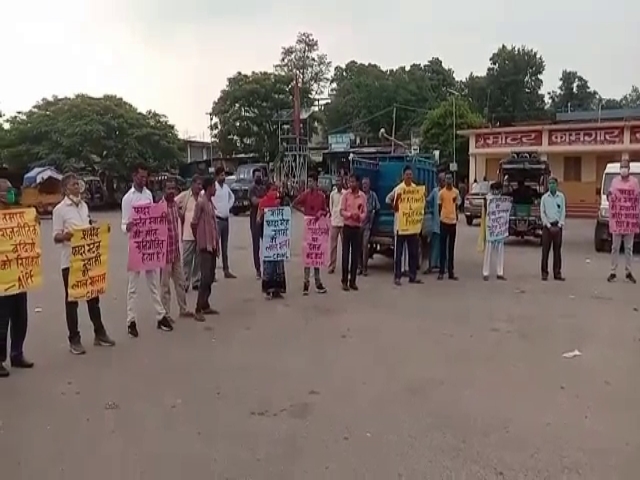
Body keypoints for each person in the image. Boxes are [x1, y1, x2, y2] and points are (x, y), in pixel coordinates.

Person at [52, 173, 116, 355]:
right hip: (70, 262)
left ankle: (99, 333)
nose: (77, 187)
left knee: (93, 297)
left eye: (78, 184)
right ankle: (74, 339)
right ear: (65, 189)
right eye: (73, 185)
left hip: (88, 260)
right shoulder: (59, 210)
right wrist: (65, 236)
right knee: (72, 301)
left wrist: (100, 230)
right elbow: (55, 236)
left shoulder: (84, 206)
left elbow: (87, 225)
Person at [121, 163, 173, 337]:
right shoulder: (128, 198)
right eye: (141, 177)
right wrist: (128, 226)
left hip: (150, 245)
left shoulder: (149, 194)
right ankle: (131, 321)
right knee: (133, 287)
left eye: (146, 177)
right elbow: (123, 224)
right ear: (134, 176)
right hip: (136, 246)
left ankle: (160, 315)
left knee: (152, 283)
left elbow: (152, 215)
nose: (144, 180)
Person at [0, 179, 34, 377]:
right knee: (2, 321)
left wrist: (32, 223)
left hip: (19, 275)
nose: (13, 195)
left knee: (21, 317)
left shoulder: (17, 214)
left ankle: (17, 353)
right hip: (3, 278)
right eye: (9, 192)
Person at [159, 177, 194, 322]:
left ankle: (183, 308)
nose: (171, 191)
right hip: (165, 253)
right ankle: (165, 314)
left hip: (175, 251)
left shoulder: (174, 205)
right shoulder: (160, 206)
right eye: (168, 188)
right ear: (163, 190)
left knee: (180, 282)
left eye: (173, 188)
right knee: (165, 286)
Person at [293, 172, 328, 295]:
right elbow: (294, 204)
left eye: (311, 181)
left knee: (316, 255)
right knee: (308, 255)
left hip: (318, 228)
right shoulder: (306, 194)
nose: (309, 184)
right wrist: (304, 213)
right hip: (309, 228)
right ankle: (306, 283)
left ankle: (318, 282)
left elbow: (326, 210)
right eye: (308, 181)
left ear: (316, 182)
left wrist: (321, 214)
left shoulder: (321, 196)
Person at [386, 166, 422, 285]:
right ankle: (397, 277)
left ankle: (413, 276)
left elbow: (419, 203)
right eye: (407, 174)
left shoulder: (415, 189)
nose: (409, 176)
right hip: (400, 227)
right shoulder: (398, 189)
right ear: (403, 176)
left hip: (411, 226)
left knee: (413, 253)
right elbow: (388, 199)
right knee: (398, 253)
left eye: (410, 175)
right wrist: (394, 205)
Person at [191, 177, 220, 321]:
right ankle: (198, 308)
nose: (215, 189)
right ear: (208, 188)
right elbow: (194, 223)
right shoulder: (201, 203)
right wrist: (199, 239)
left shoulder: (209, 202)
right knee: (205, 277)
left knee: (210, 276)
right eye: (214, 187)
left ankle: (205, 304)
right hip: (205, 245)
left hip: (212, 244)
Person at [607, 159, 639, 283]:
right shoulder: (615, 182)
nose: (623, 169)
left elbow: (637, 198)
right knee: (615, 247)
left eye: (625, 167)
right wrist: (611, 197)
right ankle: (613, 271)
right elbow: (610, 195)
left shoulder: (635, 182)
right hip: (618, 221)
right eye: (622, 167)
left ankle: (628, 271)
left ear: (629, 169)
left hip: (629, 222)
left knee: (629, 248)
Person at [258, 185, 287, 298]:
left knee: (277, 262)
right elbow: (258, 220)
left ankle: (277, 289)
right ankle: (269, 289)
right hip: (268, 238)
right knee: (270, 263)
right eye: (273, 190)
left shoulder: (279, 202)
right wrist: (263, 215)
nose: (275, 193)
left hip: (278, 238)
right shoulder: (263, 203)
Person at [340, 174, 367, 291]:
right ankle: (344, 281)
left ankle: (353, 281)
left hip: (357, 228)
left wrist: (360, 217)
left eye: (353, 182)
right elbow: (341, 211)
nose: (351, 184)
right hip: (347, 227)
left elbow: (365, 212)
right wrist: (350, 215)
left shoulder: (363, 196)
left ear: (358, 183)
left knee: (355, 256)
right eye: (349, 182)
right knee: (345, 255)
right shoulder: (345, 195)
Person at [176, 175, 203, 291]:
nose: (199, 187)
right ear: (192, 184)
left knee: (198, 260)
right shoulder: (185, 196)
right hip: (187, 234)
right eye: (197, 184)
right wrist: (179, 213)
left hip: (200, 234)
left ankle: (196, 281)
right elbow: (173, 202)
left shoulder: (202, 197)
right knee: (186, 260)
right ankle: (185, 282)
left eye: (201, 184)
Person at [211, 166, 236, 280]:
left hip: (226, 219)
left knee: (225, 247)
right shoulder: (213, 187)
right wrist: (213, 210)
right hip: (217, 219)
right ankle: (212, 273)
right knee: (215, 248)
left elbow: (232, 197)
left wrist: (228, 206)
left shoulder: (226, 187)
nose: (223, 177)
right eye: (221, 175)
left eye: (224, 175)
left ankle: (226, 270)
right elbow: (205, 197)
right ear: (216, 176)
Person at [540, 177, 566, 281]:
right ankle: (544, 273)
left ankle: (557, 273)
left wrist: (560, 225)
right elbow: (542, 213)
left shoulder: (561, 197)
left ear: (557, 184)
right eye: (550, 183)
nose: (551, 185)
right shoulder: (544, 198)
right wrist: (548, 225)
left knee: (557, 252)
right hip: (547, 227)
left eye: (553, 183)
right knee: (545, 251)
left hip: (558, 226)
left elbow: (563, 211)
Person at [480, 182, 507, 281]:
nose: (498, 191)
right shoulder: (487, 199)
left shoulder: (503, 199)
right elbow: (486, 211)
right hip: (490, 227)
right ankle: (485, 272)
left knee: (500, 251)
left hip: (500, 228)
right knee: (489, 250)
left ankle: (500, 272)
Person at [438, 172, 460, 280]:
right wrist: (441, 217)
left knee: (451, 249)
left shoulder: (456, 192)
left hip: (453, 223)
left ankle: (451, 272)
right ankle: (441, 271)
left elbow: (457, 206)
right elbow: (439, 207)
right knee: (442, 248)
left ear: (453, 180)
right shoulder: (441, 193)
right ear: (444, 180)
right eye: (447, 179)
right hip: (444, 222)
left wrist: (455, 217)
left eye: (450, 178)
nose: (448, 180)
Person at [423, 173, 445, 274]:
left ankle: (443, 266)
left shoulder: (450, 191)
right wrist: (422, 196)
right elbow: (428, 200)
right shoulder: (435, 191)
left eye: (444, 179)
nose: (442, 181)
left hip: (447, 224)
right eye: (441, 180)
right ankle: (432, 265)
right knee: (434, 246)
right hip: (436, 224)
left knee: (445, 246)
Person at [359, 177, 380, 276]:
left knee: (365, 246)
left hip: (367, 225)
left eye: (366, 184)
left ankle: (364, 268)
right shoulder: (359, 195)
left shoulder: (373, 195)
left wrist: (373, 213)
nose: (364, 186)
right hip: (358, 224)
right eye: (363, 184)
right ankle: (359, 267)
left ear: (369, 185)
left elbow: (377, 207)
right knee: (358, 247)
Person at [249, 170, 267, 279]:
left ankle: (266, 268)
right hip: (255, 218)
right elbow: (254, 201)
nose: (259, 177)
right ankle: (258, 270)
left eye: (260, 176)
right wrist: (265, 200)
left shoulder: (264, 188)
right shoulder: (252, 189)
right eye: (257, 176)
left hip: (265, 218)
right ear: (253, 177)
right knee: (256, 246)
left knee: (267, 245)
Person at [328, 178, 345, 274]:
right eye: (337, 181)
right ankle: (332, 266)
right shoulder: (332, 194)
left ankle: (345, 266)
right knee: (333, 246)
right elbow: (331, 207)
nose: (338, 183)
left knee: (345, 246)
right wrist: (333, 215)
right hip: (334, 221)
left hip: (343, 222)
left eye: (340, 181)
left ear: (342, 183)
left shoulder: (345, 194)